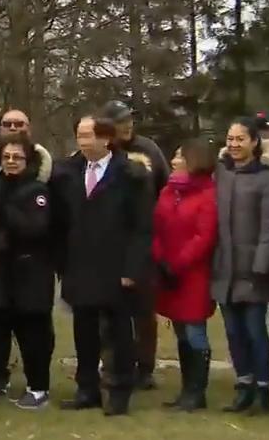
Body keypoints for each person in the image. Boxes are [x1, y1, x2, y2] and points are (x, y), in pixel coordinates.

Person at [53, 114, 152, 416]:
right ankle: (87, 390)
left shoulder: (130, 174)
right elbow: (59, 222)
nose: (82, 142)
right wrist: (63, 264)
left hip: (116, 269)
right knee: (85, 333)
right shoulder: (68, 172)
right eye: (79, 136)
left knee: (119, 334)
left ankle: (120, 391)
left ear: (106, 138)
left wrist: (131, 270)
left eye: (88, 136)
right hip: (79, 267)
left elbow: (142, 228)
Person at [211, 116, 269, 414]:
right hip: (224, 267)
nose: (234, 144)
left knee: (255, 329)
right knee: (233, 331)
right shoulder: (222, 172)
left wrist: (260, 265)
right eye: (230, 138)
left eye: (240, 139)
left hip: (253, 268)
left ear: (254, 142)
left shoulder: (268, 177)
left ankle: (263, 388)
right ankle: (243, 384)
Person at [99, 100, 167, 391]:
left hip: (143, 237)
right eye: (120, 121)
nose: (127, 125)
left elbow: (164, 186)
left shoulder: (149, 150)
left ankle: (145, 367)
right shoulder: (101, 152)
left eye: (129, 120)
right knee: (108, 309)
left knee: (143, 309)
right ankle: (113, 364)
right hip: (109, 240)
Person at [0, 109, 52, 395]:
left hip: (31, 274)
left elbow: (33, 229)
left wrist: (3, 207)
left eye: (18, 157)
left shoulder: (37, 190)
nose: (11, 162)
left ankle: (38, 388)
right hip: (0, 274)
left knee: (33, 336)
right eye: (6, 157)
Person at [151, 138, 218, 412]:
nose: (174, 160)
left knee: (194, 331)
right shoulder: (169, 191)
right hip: (168, 272)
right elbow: (155, 226)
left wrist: (177, 264)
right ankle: (186, 390)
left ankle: (196, 391)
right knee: (180, 332)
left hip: (193, 275)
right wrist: (160, 259)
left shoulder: (208, 195)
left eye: (180, 156)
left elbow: (204, 237)